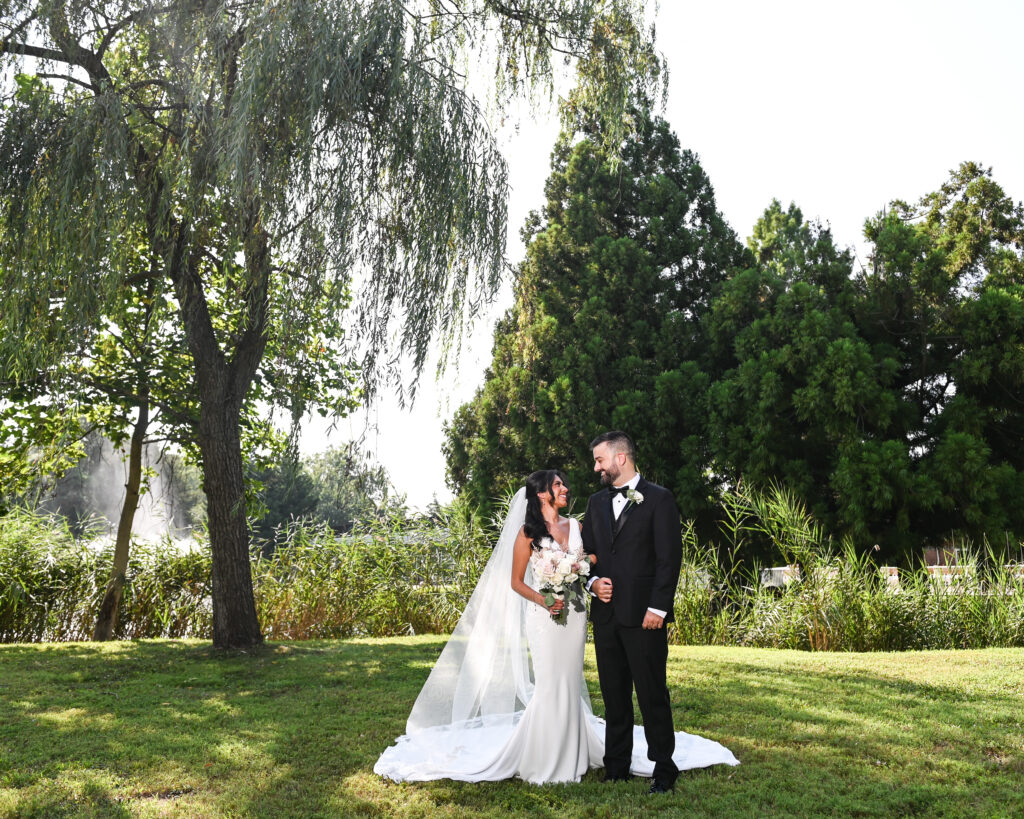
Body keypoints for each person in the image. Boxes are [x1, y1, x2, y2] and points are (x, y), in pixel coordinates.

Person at [374, 468, 737, 785]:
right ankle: (547, 759)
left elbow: (594, 557)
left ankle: (578, 754)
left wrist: (580, 569)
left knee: (570, 681)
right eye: (558, 484)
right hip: (545, 619)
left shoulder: (576, 525)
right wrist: (544, 598)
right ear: (541, 493)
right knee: (550, 683)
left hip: (576, 616)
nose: (565, 489)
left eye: (564, 484)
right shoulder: (527, 533)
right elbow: (516, 581)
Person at [583, 430, 689, 793]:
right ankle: (616, 765)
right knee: (613, 694)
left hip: (645, 615)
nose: (596, 467)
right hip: (607, 615)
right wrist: (592, 583)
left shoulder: (660, 499)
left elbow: (668, 559)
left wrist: (658, 607)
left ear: (621, 458)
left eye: (600, 460)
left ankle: (664, 767)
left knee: (651, 692)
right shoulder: (595, 502)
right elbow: (587, 556)